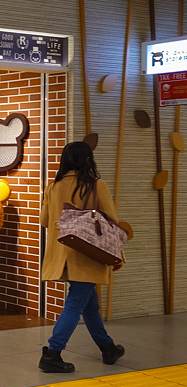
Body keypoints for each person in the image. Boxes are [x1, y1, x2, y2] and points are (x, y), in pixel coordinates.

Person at [39, 142, 125, 372]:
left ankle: (107, 348)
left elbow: (45, 221)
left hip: (62, 253)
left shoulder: (53, 187)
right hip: (88, 254)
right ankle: (53, 353)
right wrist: (117, 255)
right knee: (76, 304)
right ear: (88, 159)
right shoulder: (97, 186)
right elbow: (112, 223)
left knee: (89, 304)